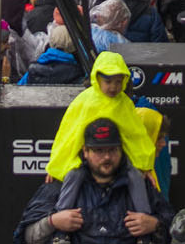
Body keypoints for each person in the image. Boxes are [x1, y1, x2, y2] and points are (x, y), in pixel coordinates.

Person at [15, 116, 164, 244]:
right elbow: (27, 237)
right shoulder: (60, 186)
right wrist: (52, 221)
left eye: (112, 150)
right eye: (99, 150)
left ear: (121, 150)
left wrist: (155, 225)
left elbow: (177, 230)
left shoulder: (140, 185)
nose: (106, 157)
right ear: (85, 151)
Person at [48, 52, 159, 181]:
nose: (113, 87)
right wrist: (57, 166)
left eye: (118, 82)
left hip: (119, 163)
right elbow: (69, 136)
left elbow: (136, 135)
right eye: (108, 81)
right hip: (87, 162)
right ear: (97, 78)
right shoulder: (85, 101)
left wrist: (144, 166)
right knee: (73, 179)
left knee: (136, 179)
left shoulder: (124, 103)